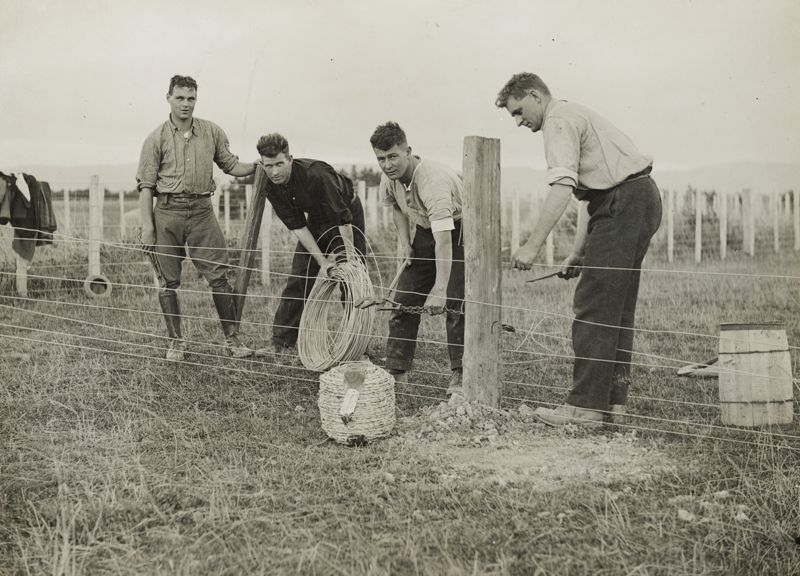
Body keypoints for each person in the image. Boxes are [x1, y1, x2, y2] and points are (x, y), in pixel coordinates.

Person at [496, 73, 662, 426]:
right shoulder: (570, 116)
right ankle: (612, 406)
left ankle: (585, 408)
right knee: (614, 306)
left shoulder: (557, 121)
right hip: (636, 198)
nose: (519, 121)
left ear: (535, 95)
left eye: (519, 111)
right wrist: (578, 252)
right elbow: (592, 197)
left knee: (593, 305)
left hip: (624, 202)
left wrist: (531, 245)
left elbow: (562, 187)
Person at [137, 75, 257, 362]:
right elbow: (145, 188)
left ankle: (232, 341)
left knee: (220, 276)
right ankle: (176, 343)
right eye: (179, 98)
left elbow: (231, 165)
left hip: (203, 211)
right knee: (168, 281)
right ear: (168, 98)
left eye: (191, 98)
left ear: (196, 100)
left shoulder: (212, 132)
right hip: (167, 212)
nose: (185, 104)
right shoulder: (156, 138)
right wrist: (147, 228)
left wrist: (260, 167)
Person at [368, 121, 465, 394]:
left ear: (408, 151)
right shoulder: (389, 177)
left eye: (393, 157)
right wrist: (406, 243)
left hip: (459, 232)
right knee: (403, 301)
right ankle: (397, 371)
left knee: (456, 303)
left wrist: (440, 289)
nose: (387, 165)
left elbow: (444, 241)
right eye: (381, 159)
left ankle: (460, 375)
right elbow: (396, 208)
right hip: (424, 230)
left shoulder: (432, 181)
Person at [255, 133, 366, 356]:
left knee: (351, 280)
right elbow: (298, 226)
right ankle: (280, 343)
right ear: (262, 164)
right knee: (300, 276)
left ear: (290, 159)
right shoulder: (270, 184)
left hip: (345, 215)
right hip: (315, 219)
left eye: (279, 164)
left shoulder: (316, 174)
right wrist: (323, 261)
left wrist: (349, 259)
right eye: (269, 166)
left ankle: (358, 348)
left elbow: (342, 219)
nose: (275, 171)